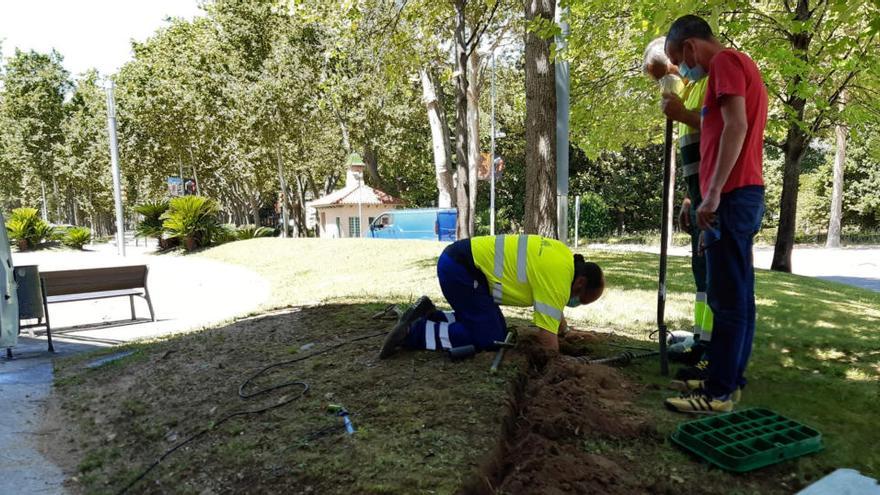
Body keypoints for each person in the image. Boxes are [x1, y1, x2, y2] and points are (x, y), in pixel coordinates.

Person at [661, 15, 768, 414]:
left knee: (728, 299)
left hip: (733, 194)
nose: (686, 69)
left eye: (680, 59)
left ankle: (719, 393)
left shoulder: (724, 63)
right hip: (736, 194)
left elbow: (736, 127)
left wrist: (714, 193)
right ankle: (727, 379)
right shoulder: (738, 67)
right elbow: (716, 127)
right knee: (737, 294)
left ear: (690, 47)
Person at [379, 235, 605, 359]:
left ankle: (433, 315)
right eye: (580, 300)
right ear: (580, 283)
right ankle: (413, 332)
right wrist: (566, 363)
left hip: (461, 264)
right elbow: (547, 342)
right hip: (461, 271)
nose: (574, 303)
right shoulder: (558, 278)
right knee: (487, 338)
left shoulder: (563, 259)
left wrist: (566, 332)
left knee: (499, 329)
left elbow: (552, 310)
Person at [643, 37, 714, 380]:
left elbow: (720, 130)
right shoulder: (690, 92)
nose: (663, 84)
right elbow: (696, 153)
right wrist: (689, 196)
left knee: (715, 279)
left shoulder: (707, 86)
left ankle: (713, 353)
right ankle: (702, 342)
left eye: (664, 75)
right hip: (699, 198)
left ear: (678, 62)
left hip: (716, 202)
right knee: (702, 278)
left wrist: (681, 112)